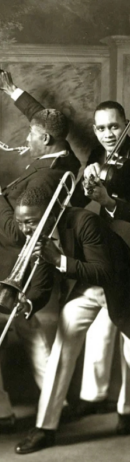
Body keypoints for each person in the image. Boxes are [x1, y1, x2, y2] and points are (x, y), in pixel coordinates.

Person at [0, 68, 82, 436]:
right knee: (30, 338)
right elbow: (42, 118)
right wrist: (14, 91)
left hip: (7, 267)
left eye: (31, 134)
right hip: (24, 269)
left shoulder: (44, 180)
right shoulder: (66, 159)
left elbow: (15, 233)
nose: (25, 137)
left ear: (44, 139)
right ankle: (55, 405)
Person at [11, 186, 130, 454]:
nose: (25, 230)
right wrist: (28, 301)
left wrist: (59, 260)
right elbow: (42, 280)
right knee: (61, 349)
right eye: (20, 223)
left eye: (30, 222)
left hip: (122, 286)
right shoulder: (39, 234)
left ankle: (127, 411)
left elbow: (104, 271)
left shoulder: (84, 220)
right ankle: (45, 428)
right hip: (88, 288)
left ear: (51, 214)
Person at [71, 101, 130, 421]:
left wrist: (109, 201)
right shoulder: (96, 153)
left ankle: (127, 409)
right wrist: (86, 181)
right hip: (112, 249)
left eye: (115, 126)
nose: (109, 134)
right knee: (104, 320)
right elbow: (85, 194)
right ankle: (95, 397)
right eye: (102, 127)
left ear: (126, 124)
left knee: (126, 330)